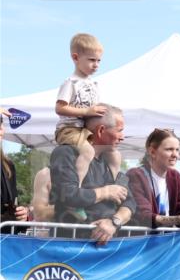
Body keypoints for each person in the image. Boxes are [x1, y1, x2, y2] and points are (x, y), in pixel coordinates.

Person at [53, 33, 122, 222]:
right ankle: (76, 197)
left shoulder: (93, 84)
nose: (96, 65)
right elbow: (60, 108)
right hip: (69, 129)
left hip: (85, 130)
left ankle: (113, 189)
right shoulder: (70, 83)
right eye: (91, 60)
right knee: (88, 151)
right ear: (76, 58)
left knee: (113, 154)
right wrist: (86, 111)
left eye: (99, 61)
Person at [49, 105, 134, 245]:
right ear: (101, 130)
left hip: (108, 249)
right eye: (119, 131)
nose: (122, 137)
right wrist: (106, 192)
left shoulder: (110, 161)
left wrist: (114, 222)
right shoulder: (66, 153)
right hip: (71, 248)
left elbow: (130, 203)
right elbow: (68, 195)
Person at [126, 129, 180, 230]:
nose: (175, 155)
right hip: (141, 239)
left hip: (168, 239)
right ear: (152, 152)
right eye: (169, 149)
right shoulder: (135, 175)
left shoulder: (176, 177)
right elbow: (144, 216)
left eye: (177, 150)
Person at [1, 110, 30, 229]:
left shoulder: (8, 166)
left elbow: (13, 203)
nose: (1, 128)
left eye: (1, 122)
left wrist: (21, 215)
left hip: (5, 237)